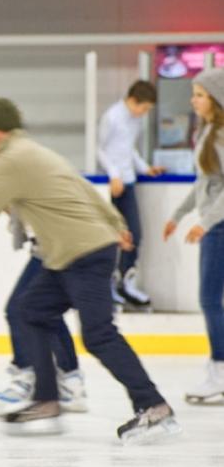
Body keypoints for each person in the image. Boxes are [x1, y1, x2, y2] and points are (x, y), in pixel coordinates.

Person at [0, 98, 181, 445]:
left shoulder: (12, 161)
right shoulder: (31, 151)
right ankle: (47, 398)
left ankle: (153, 405)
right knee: (29, 311)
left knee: (99, 335)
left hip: (84, 252)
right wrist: (115, 222)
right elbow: (84, 188)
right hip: (68, 253)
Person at [0, 210, 86, 416]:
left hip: (60, 247)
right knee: (43, 312)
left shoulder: (18, 178)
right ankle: (69, 381)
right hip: (49, 248)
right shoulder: (13, 179)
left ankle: (29, 376)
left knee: (19, 310)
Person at [164, 68, 224, 404]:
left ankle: (219, 370)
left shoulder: (220, 136)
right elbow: (203, 184)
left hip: (220, 226)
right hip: (214, 224)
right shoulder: (208, 132)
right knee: (212, 300)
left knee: (209, 300)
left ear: (215, 99)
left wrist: (207, 222)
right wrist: (178, 215)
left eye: (200, 94)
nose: (193, 99)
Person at [98, 80, 164, 308]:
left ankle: (125, 280)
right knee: (111, 236)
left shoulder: (135, 120)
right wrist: (113, 175)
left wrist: (145, 168)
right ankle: (108, 284)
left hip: (127, 182)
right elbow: (100, 149)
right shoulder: (112, 117)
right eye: (144, 108)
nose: (144, 113)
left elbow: (128, 148)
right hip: (112, 184)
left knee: (134, 232)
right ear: (134, 101)